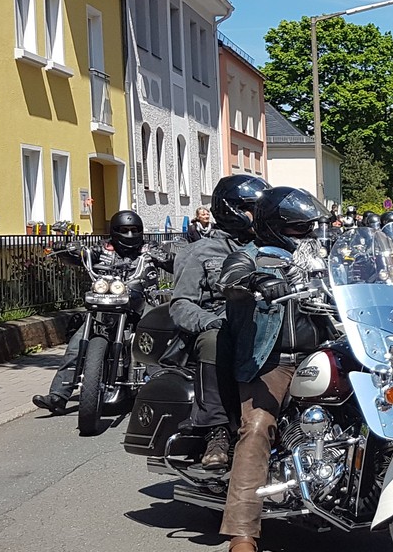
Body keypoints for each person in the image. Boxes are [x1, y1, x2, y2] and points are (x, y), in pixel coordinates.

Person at [217, 186, 328, 552]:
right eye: (300, 229)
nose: (308, 234)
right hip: (272, 362)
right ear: (275, 227)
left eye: (311, 227)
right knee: (258, 427)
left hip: (324, 355)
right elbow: (228, 280)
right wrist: (255, 284)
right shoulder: (247, 257)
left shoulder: (319, 260)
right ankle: (242, 536)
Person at [171, 174, 269, 467]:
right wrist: (209, 322)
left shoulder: (268, 248)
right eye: (253, 208)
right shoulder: (200, 251)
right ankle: (217, 431)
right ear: (232, 209)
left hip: (262, 324)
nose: (258, 215)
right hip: (219, 327)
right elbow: (181, 303)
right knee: (215, 340)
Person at [33, 210, 153, 413]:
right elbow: (82, 255)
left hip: (140, 303)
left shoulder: (149, 249)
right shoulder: (103, 248)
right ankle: (58, 396)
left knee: (153, 338)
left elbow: (173, 260)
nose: (130, 235)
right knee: (76, 344)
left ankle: (158, 390)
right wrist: (67, 249)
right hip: (106, 304)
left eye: (134, 230)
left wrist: (170, 256)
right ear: (114, 231)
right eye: (124, 230)